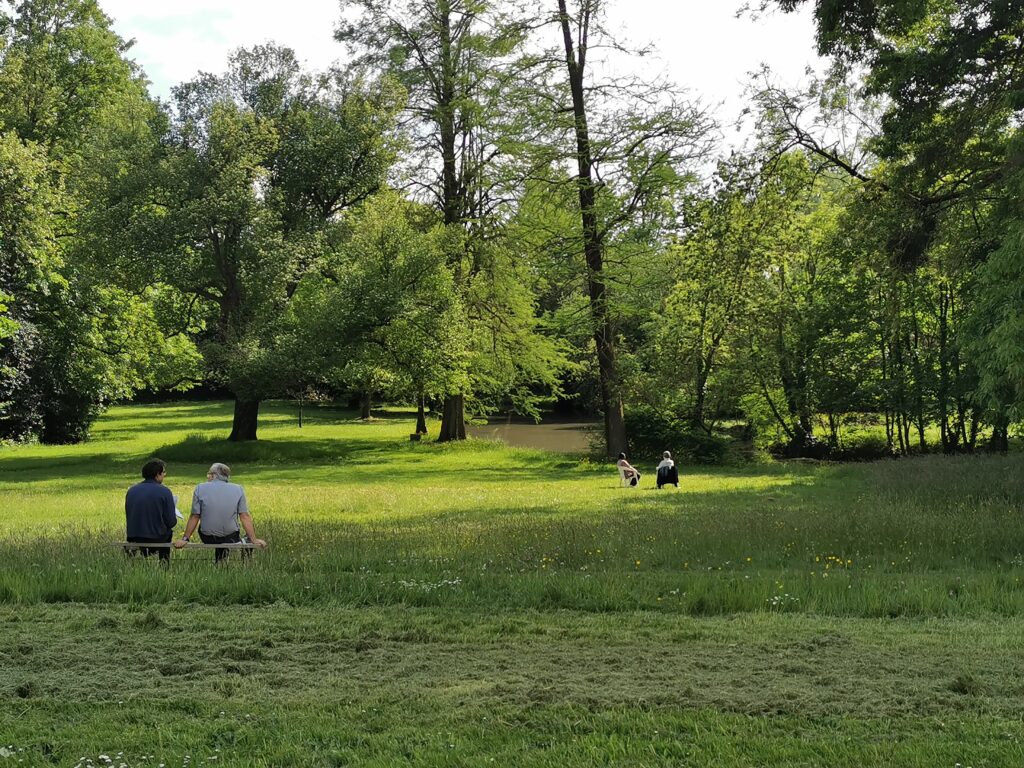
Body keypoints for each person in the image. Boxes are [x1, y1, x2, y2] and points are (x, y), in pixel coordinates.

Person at [174, 463, 267, 562]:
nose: (208, 476)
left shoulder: (200, 488)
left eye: (209, 474)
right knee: (230, 533)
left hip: (207, 537)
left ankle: (220, 563)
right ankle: (223, 561)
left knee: (216, 532)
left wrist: (185, 539)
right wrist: (253, 539)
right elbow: (244, 516)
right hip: (230, 536)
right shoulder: (238, 489)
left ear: (213, 475)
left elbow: (195, 516)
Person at [125, 458, 178, 562]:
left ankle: (131, 564)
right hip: (156, 537)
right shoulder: (164, 491)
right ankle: (164, 565)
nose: (164, 475)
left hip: (133, 536)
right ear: (157, 474)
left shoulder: (132, 490)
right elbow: (171, 522)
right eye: (163, 472)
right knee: (168, 533)